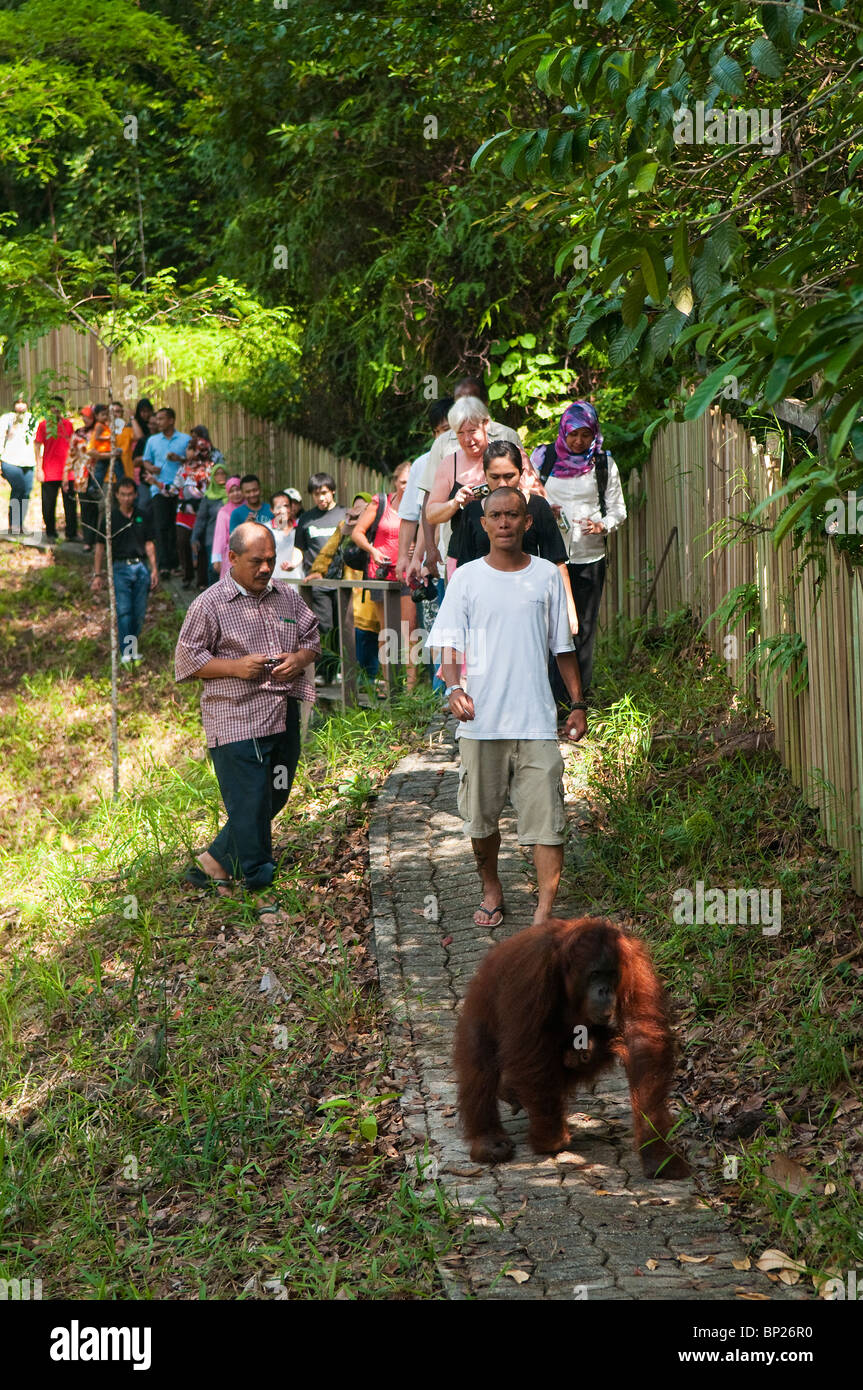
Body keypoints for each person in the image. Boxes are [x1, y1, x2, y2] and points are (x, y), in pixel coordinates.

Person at [426, 486, 587, 926]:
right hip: (481, 724)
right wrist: (454, 688)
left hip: (536, 722)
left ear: (527, 521)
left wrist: (577, 703)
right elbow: (448, 645)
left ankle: (543, 913)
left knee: (547, 821)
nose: (503, 523)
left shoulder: (546, 577)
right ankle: (492, 887)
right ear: (483, 523)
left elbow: (563, 647)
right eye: (495, 515)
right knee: (480, 824)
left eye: (512, 515)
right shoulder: (468, 579)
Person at [174, 520, 321, 895]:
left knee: (275, 795)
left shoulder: (285, 596)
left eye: (270, 560)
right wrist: (235, 668)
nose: (266, 569)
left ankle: (212, 864)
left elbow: (311, 637)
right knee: (251, 800)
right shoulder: (209, 605)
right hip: (235, 718)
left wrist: (299, 658)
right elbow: (187, 661)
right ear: (233, 558)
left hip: (281, 713)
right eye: (257, 561)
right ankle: (261, 890)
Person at [534, 402, 627, 698]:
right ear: (563, 431)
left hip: (589, 557)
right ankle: (548, 694)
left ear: (594, 434)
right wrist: (545, 510)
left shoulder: (604, 464)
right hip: (548, 558)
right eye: (573, 434)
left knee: (583, 628)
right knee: (549, 626)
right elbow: (526, 496)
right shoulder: (543, 458)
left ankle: (578, 699)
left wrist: (602, 525)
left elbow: (618, 510)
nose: (578, 441)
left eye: (586, 435)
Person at [410, 377, 527, 584]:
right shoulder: (444, 447)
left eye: (472, 431)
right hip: (460, 552)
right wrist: (429, 547)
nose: (467, 439)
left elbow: (530, 489)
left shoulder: (507, 438)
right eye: (460, 433)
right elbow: (430, 502)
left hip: (510, 549)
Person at [456, 439, 578, 633]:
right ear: (484, 475)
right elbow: (463, 566)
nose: (502, 483)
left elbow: (557, 562)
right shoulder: (472, 511)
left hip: (530, 603)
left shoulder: (538, 507)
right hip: (484, 608)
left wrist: (569, 610)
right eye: (495, 477)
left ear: (521, 473)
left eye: (509, 476)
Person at [350, 462, 419, 688]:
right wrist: (373, 551)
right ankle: (389, 683)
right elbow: (357, 533)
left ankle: (410, 687)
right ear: (395, 482)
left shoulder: (420, 503)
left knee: (409, 629)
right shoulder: (381, 502)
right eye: (403, 482)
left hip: (408, 574)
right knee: (386, 631)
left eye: (411, 482)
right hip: (380, 573)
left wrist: (416, 547)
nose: (407, 487)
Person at [91, 476, 158, 665]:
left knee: (139, 612)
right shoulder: (109, 518)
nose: (127, 498)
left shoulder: (143, 515)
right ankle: (126, 652)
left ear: (136, 495)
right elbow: (100, 547)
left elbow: (149, 543)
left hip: (141, 568)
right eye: (123, 495)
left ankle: (132, 648)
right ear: (117, 496)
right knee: (124, 610)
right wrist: (97, 574)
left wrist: (154, 569)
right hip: (119, 568)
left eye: (130, 494)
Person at [294, 473, 346, 684]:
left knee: (344, 628)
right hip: (317, 583)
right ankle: (326, 673)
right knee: (323, 628)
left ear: (332, 491)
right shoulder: (307, 519)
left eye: (324, 493)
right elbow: (300, 549)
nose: (321, 498)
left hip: (344, 583)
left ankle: (344, 670)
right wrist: (291, 563)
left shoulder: (344, 514)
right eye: (316, 494)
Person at [396, 397, 454, 581]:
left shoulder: (476, 461)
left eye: (446, 430)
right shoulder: (422, 464)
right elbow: (416, 515)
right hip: (433, 564)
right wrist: (407, 557)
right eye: (436, 432)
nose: (440, 437)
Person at [142, 406, 192, 576]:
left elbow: (193, 462)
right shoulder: (152, 440)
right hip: (158, 488)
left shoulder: (185, 439)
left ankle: (177, 564)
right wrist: (152, 468)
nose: (157, 421)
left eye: (162, 418)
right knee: (161, 526)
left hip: (180, 490)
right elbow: (145, 461)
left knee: (176, 527)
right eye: (157, 418)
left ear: (171, 420)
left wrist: (179, 459)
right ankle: (164, 565)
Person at [34, 397, 77, 543]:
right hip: (49, 471)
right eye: (53, 406)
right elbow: (37, 446)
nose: (56, 409)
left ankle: (72, 533)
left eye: (59, 406)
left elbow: (72, 447)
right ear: (49, 408)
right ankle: (51, 533)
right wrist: (39, 469)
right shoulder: (44, 425)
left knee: (70, 504)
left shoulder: (68, 425)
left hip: (68, 472)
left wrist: (71, 468)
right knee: (48, 504)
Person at [0, 397, 39, 534]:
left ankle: (21, 523)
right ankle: (14, 524)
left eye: (23, 402)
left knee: (26, 491)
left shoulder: (32, 419)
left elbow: (37, 440)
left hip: (28, 461)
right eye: (18, 402)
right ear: (14, 404)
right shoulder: (7, 418)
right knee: (18, 488)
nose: (21, 405)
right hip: (10, 461)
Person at [191, 465, 229, 588]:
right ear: (213, 477)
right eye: (217, 474)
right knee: (214, 570)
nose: (221, 476)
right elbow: (201, 520)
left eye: (223, 473)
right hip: (212, 540)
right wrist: (194, 537)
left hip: (231, 539)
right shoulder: (208, 497)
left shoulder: (233, 494)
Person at [210, 476, 244, 577]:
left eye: (238, 489)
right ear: (227, 493)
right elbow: (219, 536)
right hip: (230, 555)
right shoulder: (224, 511)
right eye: (231, 491)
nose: (236, 494)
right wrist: (217, 559)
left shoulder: (249, 508)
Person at [269, 492, 304, 582]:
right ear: (272, 510)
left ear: (291, 508)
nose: (283, 510)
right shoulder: (265, 530)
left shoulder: (301, 527)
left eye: (286, 506)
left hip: (298, 583)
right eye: (278, 507)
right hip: (274, 583)